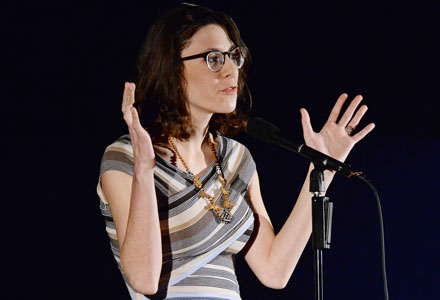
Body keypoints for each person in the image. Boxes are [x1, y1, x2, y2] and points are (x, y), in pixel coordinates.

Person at [96, 4, 375, 299]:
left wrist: (323, 169)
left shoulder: (236, 159)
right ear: (173, 70)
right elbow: (144, 279)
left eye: (234, 56)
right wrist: (143, 169)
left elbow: (274, 270)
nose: (232, 70)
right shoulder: (125, 158)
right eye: (214, 59)